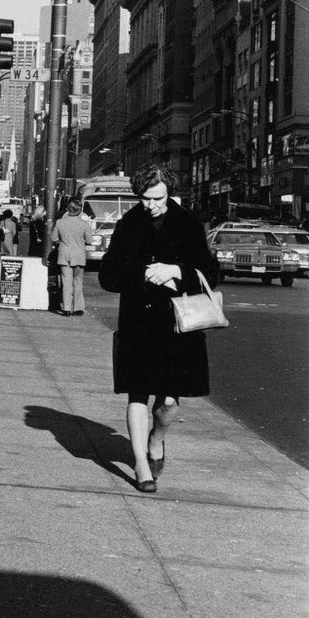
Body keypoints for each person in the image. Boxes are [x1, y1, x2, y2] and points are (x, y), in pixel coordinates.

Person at [98, 163, 219, 494]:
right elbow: (108, 275)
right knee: (137, 392)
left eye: (157, 198)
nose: (150, 205)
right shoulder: (128, 224)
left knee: (168, 402)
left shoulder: (188, 223)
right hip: (138, 320)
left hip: (177, 323)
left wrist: (175, 270)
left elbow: (211, 270)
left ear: (170, 191)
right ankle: (141, 465)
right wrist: (140, 272)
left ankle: (157, 438)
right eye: (145, 198)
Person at [52, 199, 96, 317]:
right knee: (78, 281)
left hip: (64, 254)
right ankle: (78, 308)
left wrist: (62, 242)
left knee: (66, 282)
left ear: (68, 209)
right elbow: (89, 240)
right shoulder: (83, 224)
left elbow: (54, 238)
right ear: (80, 210)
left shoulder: (60, 222)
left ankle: (66, 308)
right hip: (79, 255)